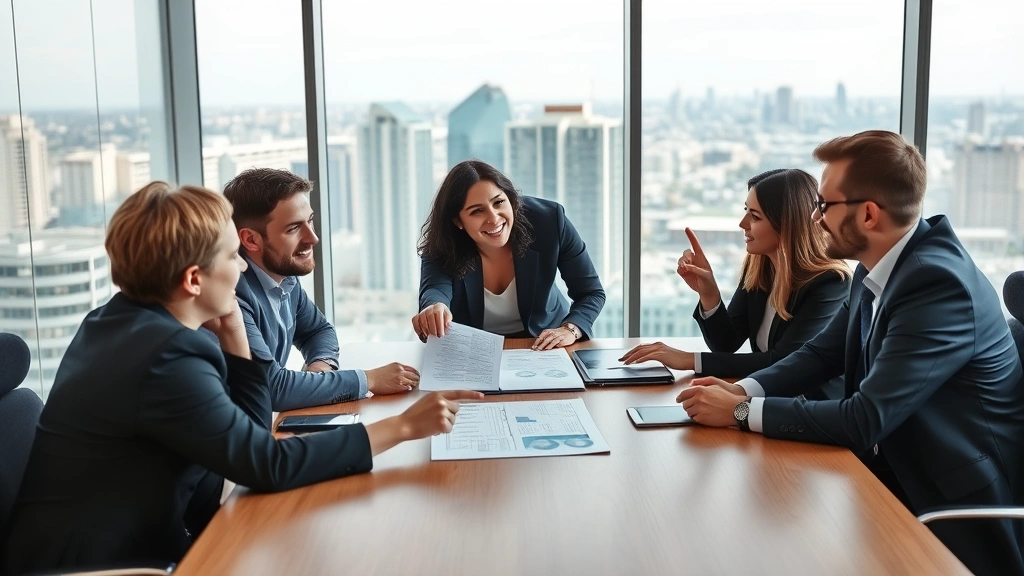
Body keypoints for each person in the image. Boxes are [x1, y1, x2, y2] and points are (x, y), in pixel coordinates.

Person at [2, 182, 482, 574]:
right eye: (233, 257)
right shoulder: (166, 356)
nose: (241, 270)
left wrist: (235, 337)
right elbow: (264, 464)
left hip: (133, 540)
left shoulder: (118, 322)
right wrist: (402, 427)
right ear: (194, 279)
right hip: (101, 567)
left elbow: (249, 438)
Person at [677, 131, 1024, 576]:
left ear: (868, 214)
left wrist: (742, 412)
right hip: (887, 478)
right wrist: (736, 389)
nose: (815, 217)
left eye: (824, 205)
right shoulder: (878, 266)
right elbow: (819, 355)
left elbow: (865, 419)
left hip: (947, 510)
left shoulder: (937, 285)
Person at [620, 169, 850, 399]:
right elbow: (726, 344)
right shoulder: (761, 267)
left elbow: (784, 361)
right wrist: (709, 293)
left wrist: (689, 359)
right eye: (745, 212)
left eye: (755, 216)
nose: (743, 224)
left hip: (809, 410)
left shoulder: (830, 282)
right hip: (767, 398)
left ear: (787, 225)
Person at [224, 168, 418, 411]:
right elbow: (273, 388)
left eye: (310, 220)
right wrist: (371, 379)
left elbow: (318, 330)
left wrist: (321, 369)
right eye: (294, 228)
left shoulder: (284, 278)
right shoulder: (230, 296)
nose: (313, 237)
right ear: (251, 240)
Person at [414, 160, 605, 351]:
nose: (494, 218)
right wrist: (434, 308)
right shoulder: (442, 243)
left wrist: (570, 329)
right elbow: (435, 290)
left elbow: (591, 292)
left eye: (498, 202)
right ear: (458, 221)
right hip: (475, 352)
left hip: (546, 344)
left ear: (511, 199)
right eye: (477, 211)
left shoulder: (550, 220)